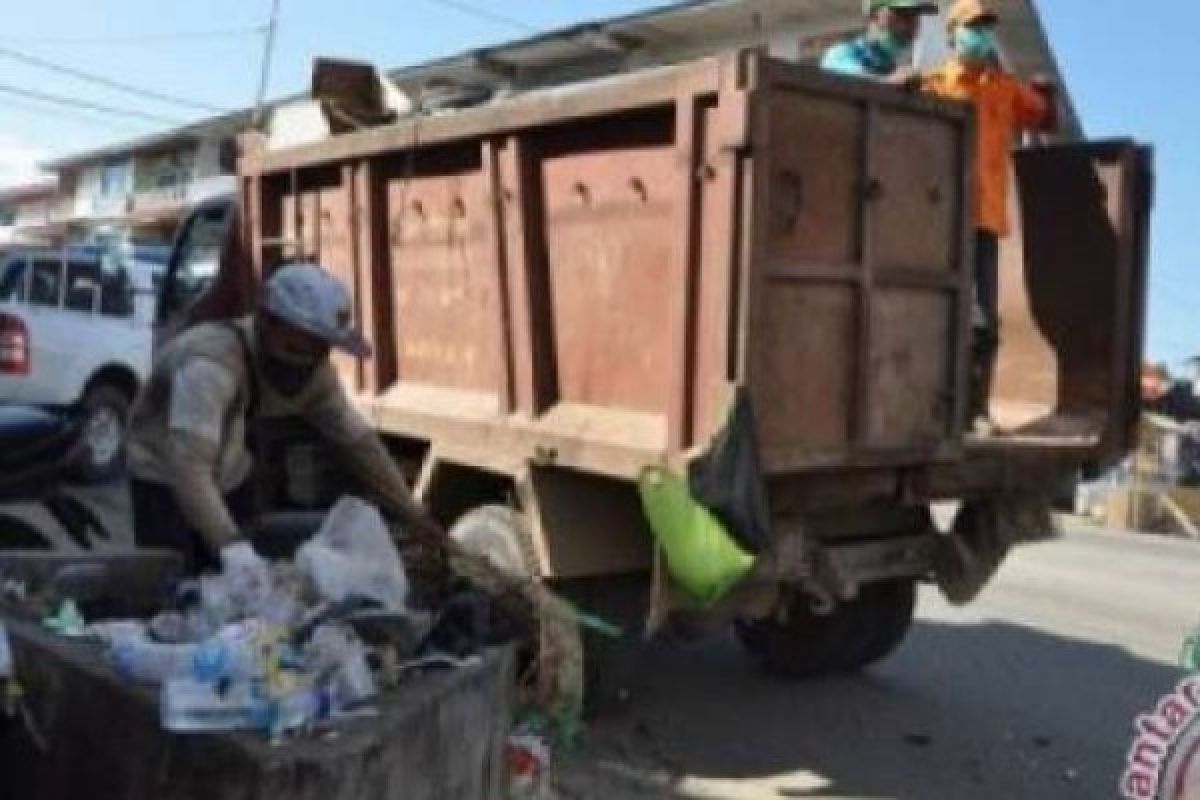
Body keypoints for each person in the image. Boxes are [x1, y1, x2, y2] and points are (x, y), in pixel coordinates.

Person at [127, 262, 436, 581]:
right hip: (162, 479)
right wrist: (232, 547)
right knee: (175, 585)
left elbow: (359, 445)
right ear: (267, 323)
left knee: (236, 592)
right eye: (296, 346)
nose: (303, 361)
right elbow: (189, 468)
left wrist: (415, 518)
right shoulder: (209, 365)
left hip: (230, 472)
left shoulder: (314, 375)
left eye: (318, 349)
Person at [922, 0, 1058, 430]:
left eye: (985, 28)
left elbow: (1044, 118)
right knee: (944, 316)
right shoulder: (936, 85)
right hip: (943, 218)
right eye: (972, 27)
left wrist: (1046, 92)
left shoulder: (1003, 87)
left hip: (986, 219)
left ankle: (974, 411)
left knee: (984, 323)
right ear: (952, 35)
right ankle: (943, 409)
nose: (980, 35)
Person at [821, 0, 938, 84]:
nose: (912, 26)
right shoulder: (841, 55)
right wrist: (890, 82)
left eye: (915, 17)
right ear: (873, 16)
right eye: (903, 14)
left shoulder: (890, 68)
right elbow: (847, 77)